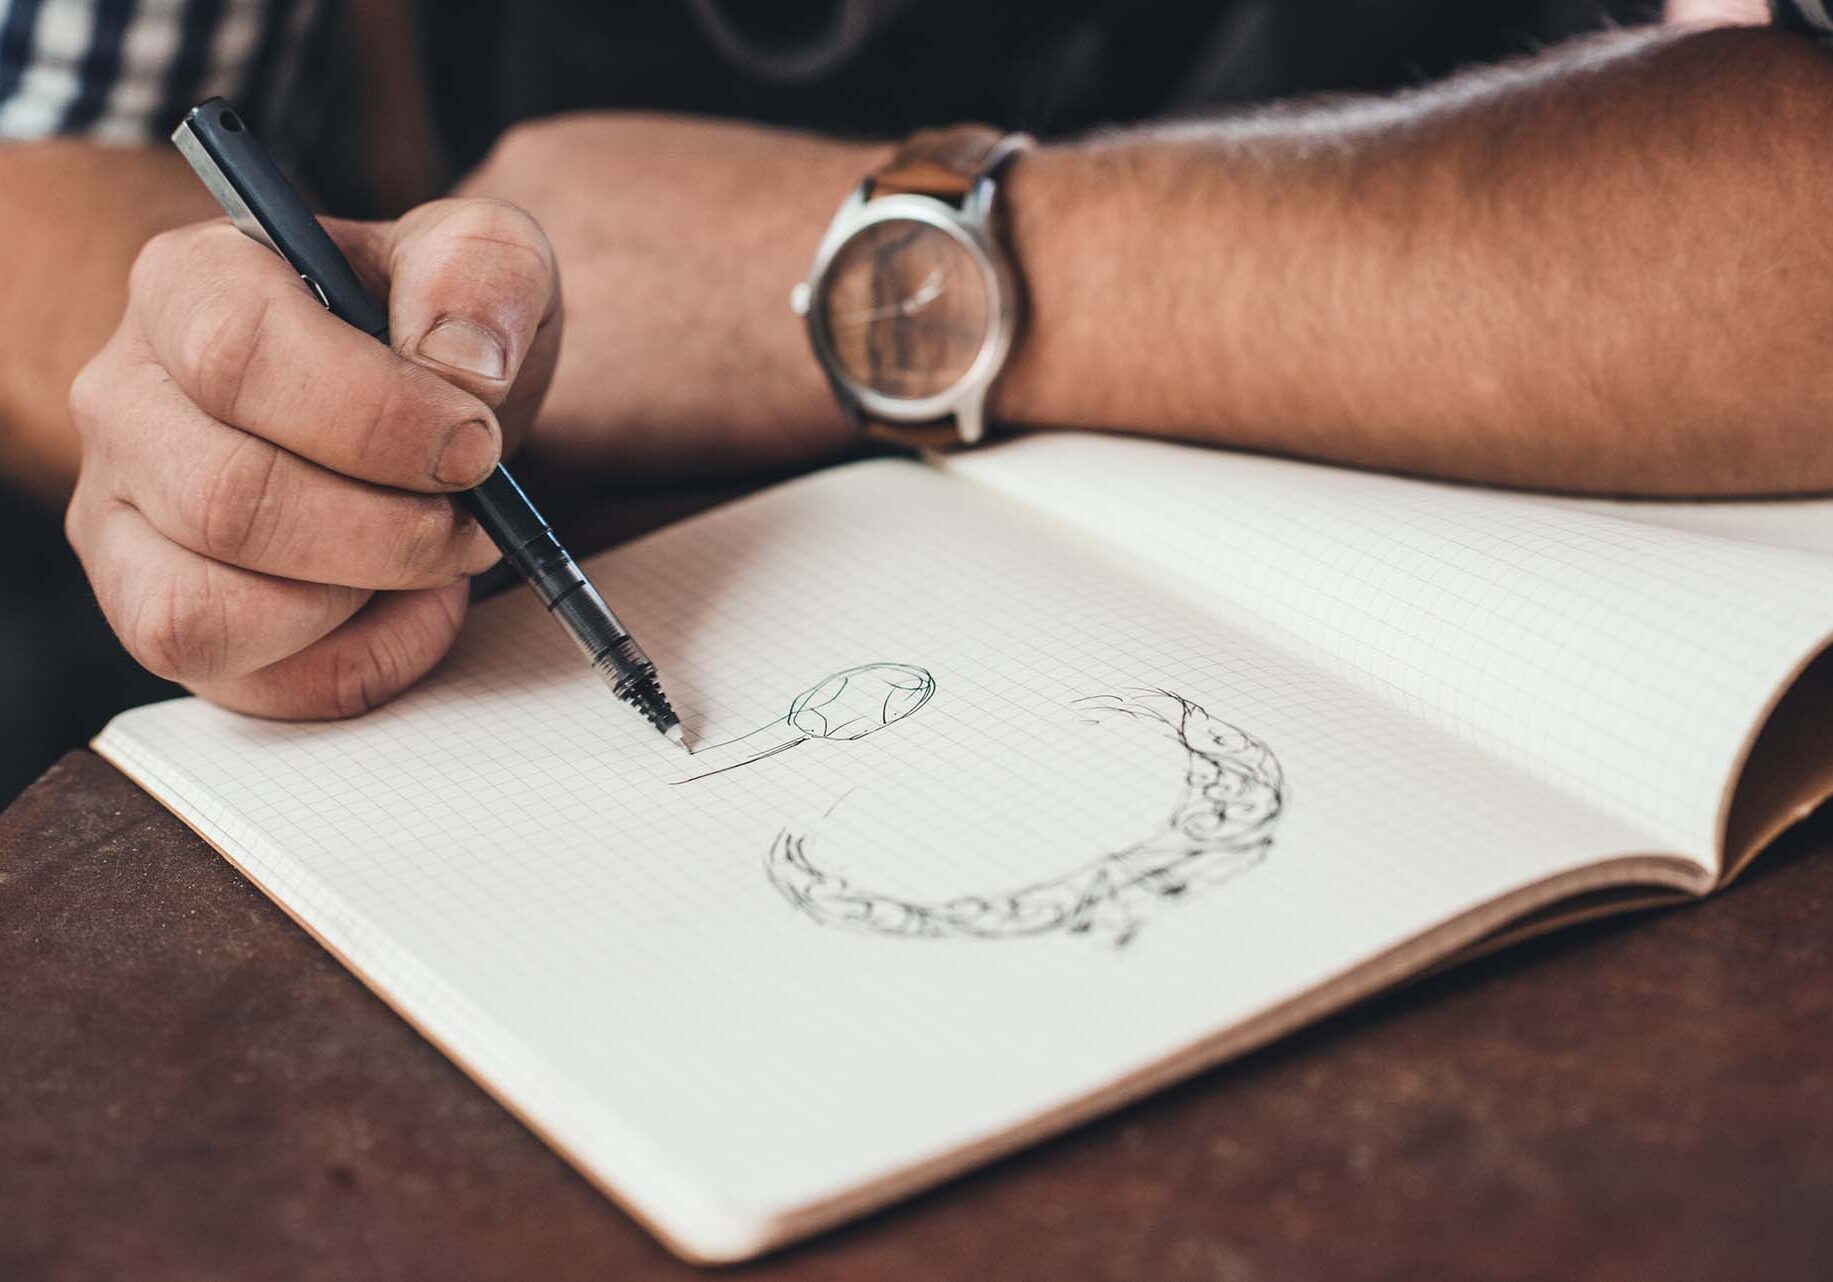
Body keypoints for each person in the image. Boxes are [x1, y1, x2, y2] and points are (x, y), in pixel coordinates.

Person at [0, 0, 1824, 729]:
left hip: (1480, 556)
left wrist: (841, 266)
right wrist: (268, 416)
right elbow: (58, 177)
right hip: (592, 502)